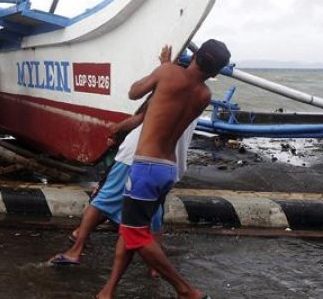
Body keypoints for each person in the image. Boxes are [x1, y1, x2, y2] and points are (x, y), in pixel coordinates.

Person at [96, 39, 230, 299]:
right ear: (214, 73)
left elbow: (134, 93)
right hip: (167, 169)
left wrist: (162, 68)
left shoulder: (168, 73)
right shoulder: (205, 95)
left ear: (195, 55)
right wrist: (166, 70)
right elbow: (175, 98)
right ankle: (107, 291)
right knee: (133, 230)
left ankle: (185, 290)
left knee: (133, 234)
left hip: (145, 167)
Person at [49, 45, 194, 268]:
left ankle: (76, 250)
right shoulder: (200, 94)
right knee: (154, 214)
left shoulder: (166, 90)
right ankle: (156, 268)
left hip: (136, 157)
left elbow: (138, 117)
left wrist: (113, 130)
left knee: (101, 200)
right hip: (169, 165)